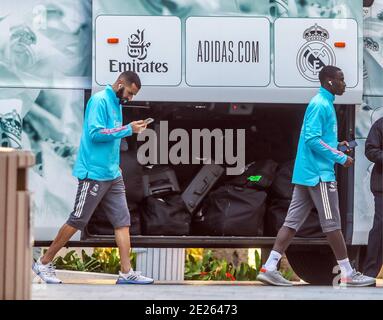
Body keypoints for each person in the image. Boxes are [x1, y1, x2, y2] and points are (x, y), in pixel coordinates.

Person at [256, 65, 376, 287]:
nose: (344, 83)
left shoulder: (322, 103)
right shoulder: (321, 104)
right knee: (332, 224)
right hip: (319, 175)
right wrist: (340, 157)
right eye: (341, 79)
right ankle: (348, 273)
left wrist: (337, 145)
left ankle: (270, 267)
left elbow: (317, 139)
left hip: (307, 173)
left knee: (292, 223)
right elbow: (312, 140)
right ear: (329, 81)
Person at [32, 71, 154, 284]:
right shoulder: (99, 101)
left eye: (133, 95)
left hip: (112, 174)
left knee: (122, 222)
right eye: (130, 93)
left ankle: (126, 273)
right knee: (78, 219)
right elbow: (96, 134)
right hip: (94, 174)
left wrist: (117, 160)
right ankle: (43, 263)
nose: (130, 98)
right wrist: (128, 129)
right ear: (120, 84)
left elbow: (111, 135)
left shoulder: (116, 103)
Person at [363, 116, 383, 278]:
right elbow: (370, 150)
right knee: (380, 228)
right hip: (382, 187)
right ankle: (369, 273)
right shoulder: (380, 125)